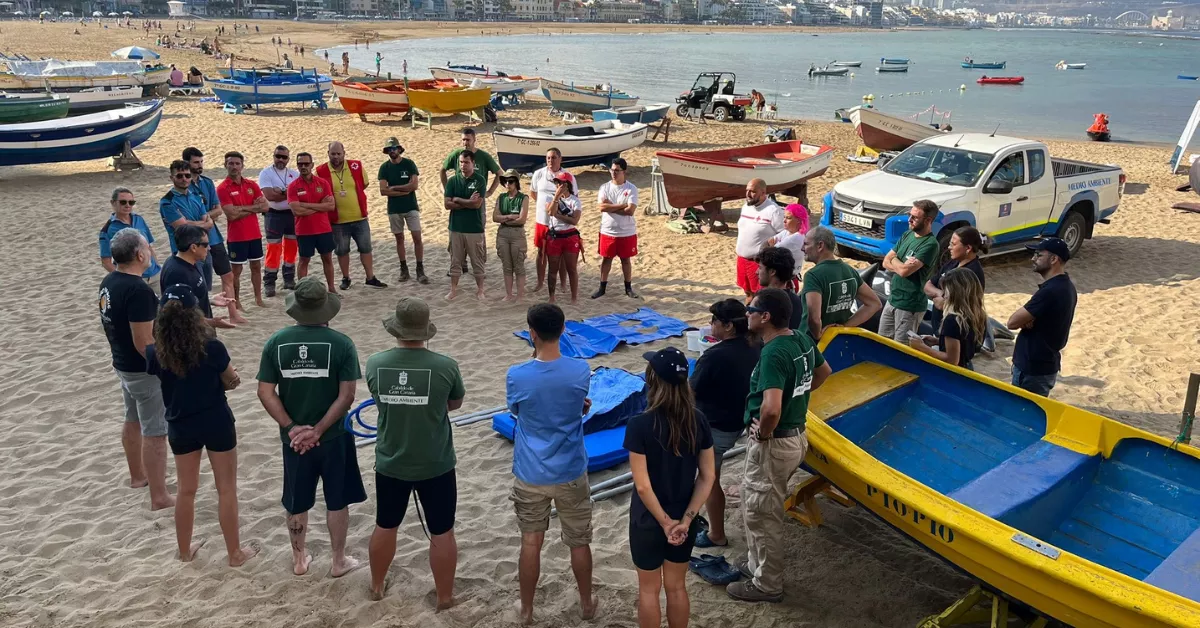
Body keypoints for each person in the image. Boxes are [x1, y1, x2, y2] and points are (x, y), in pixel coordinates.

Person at [727, 288, 831, 603]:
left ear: (765, 316)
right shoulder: (800, 338)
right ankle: (756, 564)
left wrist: (765, 432)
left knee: (762, 514)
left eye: (751, 309)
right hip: (796, 436)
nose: (747, 314)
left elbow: (770, 409)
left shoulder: (773, 352)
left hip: (776, 443)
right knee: (759, 505)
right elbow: (824, 372)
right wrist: (796, 400)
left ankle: (766, 584)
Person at [257, 277, 365, 578]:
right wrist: (317, 430)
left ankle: (299, 559)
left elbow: (265, 392)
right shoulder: (342, 344)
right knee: (337, 499)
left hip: (294, 440)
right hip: (333, 436)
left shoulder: (276, 342)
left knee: (296, 499)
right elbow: (347, 396)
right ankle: (338, 560)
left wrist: (292, 428)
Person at [148, 283, 258, 567]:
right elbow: (231, 380)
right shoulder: (212, 347)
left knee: (186, 489)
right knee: (226, 488)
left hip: (181, 423)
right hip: (215, 419)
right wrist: (232, 380)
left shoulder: (157, 352)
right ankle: (234, 552)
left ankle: (185, 551)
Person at [366, 298, 464, 607]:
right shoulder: (446, 366)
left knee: (386, 523)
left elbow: (378, 398)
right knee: (443, 530)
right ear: (425, 330)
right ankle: (445, 597)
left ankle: (378, 585)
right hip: (435, 461)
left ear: (396, 328)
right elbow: (454, 404)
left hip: (392, 458)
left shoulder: (375, 363)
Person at [505, 303, 597, 625]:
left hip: (531, 471)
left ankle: (527, 610)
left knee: (531, 542)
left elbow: (518, 412)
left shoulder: (517, 375)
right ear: (563, 330)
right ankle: (586, 603)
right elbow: (575, 406)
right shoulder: (581, 370)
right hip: (570, 468)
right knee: (579, 540)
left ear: (531, 333)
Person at [627, 347, 715, 628]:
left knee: (648, 589)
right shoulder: (698, 420)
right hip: (683, 516)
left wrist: (665, 524)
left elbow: (642, 486)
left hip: (648, 519)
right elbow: (707, 476)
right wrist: (686, 520)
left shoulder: (639, 424)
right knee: (677, 587)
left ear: (652, 379)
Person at [99, 229, 173, 510]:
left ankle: (137, 477)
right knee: (155, 431)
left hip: (122, 364)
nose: (151, 252)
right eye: (147, 248)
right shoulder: (138, 289)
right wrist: (165, 369)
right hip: (141, 370)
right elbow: (144, 342)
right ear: (140, 254)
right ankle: (159, 496)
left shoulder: (109, 281)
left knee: (132, 419)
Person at [689, 299, 759, 548]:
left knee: (708, 479)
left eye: (714, 321)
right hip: (740, 421)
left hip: (716, 427)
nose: (711, 325)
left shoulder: (714, 356)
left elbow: (690, 393)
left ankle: (716, 533)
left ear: (728, 326)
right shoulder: (756, 345)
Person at [1006, 238, 1077, 397]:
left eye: (1038, 255)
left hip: (1033, 368)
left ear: (1054, 259)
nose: (1033, 259)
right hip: (1044, 363)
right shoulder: (1066, 285)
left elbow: (1012, 322)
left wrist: (1025, 321)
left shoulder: (1050, 291)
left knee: (1022, 413)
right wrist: (1027, 321)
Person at [317, 141, 386, 291]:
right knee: (342, 250)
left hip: (360, 217)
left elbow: (364, 184)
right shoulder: (320, 171)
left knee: (366, 248)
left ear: (344, 153)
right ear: (327, 153)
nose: (335, 157)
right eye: (333, 154)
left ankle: (370, 277)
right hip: (337, 221)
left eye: (338, 154)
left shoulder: (356, 166)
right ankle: (346, 277)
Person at [801, 225, 882, 342]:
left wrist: (818, 335)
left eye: (806, 244)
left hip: (810, 343)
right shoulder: (850, 271)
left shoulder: (813, 275)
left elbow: (814, 318)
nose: (802, 248)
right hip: (836, 342)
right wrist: (844, 327)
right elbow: (874, 303)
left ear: (820, 246)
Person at [441, 128, 503, 276]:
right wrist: (447, 190)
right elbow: (442, 169)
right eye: (463, 139)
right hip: (458, 199)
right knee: (457, 232)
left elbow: (499, 173)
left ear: (474, 139)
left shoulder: (483, 156)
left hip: (477, 200)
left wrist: (489, 192)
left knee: (477, 233)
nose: (465, 143)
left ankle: (479, 266)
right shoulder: (457, 155)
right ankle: (460, 264)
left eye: (468, 139)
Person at [878, 200, 940, 343]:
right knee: (881, 343)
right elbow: (886, 261)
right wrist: (898, 263)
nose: (909, 220)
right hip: (893, 299)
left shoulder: (930, 244)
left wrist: (895, 260)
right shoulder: (907, 235)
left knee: (901, 349)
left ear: (928, 220)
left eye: (915, 217)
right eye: (909, 215)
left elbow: (904, 272)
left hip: (910, 305)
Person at [217, 151, 268, 309]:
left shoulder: (251, 184)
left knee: (256, 267)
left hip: (254, 234)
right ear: (225, 165)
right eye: (231, 163)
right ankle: (237, 301)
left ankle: (258, 299)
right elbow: (231, 215)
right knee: (236, 271)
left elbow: (265, 206)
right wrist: (254, 208)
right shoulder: (223, 188)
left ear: (242, 166)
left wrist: (242, 209)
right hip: (237, 236)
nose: (234, 167)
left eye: (237, 163)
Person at [182, 147, 235, 300]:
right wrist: (207, 217)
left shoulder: (207, 182)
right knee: (200, 281)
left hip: (214, 237)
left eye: (201, 162)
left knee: (227, 275)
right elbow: (187, 219)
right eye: (196, 162)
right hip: (195, 240)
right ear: (186, 163)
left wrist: (204, 217)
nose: (200, 165)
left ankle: (233, 313)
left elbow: (218, 210)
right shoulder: (185, 186)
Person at [910, 268, 985, 370]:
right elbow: (963, 343)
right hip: (967, 366)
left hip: (953, 373)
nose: (944, 295)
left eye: (946, 290)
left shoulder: (952, 320)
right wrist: (938, 341)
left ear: (955, 293)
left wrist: (921, 347)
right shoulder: (977, 314)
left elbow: (952, 360)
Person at [378, 137, 427, 284]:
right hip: (394, 209)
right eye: (390, 149)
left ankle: (420, 269)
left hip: (411, 206)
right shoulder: (384, 167)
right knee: (399, 239)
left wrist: (394, 188)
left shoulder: (409, 163)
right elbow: (382, 190)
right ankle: (404, 269)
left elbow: (414, 186)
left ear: (399, 149)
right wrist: (404, 189)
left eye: (394, 148)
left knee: (417, 238)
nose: (392, 151)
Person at [287, 152, 338, 293]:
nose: (303, 166)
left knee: (327, 259)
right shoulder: (293, 186)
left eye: (306, 164)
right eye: (300, 164)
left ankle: (332, 289)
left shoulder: (323, 183)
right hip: (304, 230)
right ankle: (302, 290)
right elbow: (296, 211)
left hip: (323, 229)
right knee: (304, 260)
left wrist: (306, 205)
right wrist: (318, 205)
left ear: (312, 165)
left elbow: (330, 206)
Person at [443, 150, 488, 301]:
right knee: (455, 259)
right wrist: (466, 201)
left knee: (477, 260)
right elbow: (447, 204)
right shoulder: (452, 181)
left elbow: (476, 204)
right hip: (455, 227)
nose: (463, 165)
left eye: (466, 162)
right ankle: (453, 289)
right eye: (461, 162)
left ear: (473, 163)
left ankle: (480, 290)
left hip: (474, 228)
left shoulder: (479, 180)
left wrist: (457, 199)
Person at [530, 148, 576, 293]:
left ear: (560, 159)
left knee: (561, 255)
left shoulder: (568, 176)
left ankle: (562, 283)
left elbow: (574, 196)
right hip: (542, 220)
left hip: (561, 222)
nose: (551, 161)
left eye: (554, 158)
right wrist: (546, 207)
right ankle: (539, 282)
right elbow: (533, 193)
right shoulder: (539, 174)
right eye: (548, 158)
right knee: (541, 252)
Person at [593, 157, 640, 299]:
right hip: (608, 230)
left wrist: (610, 207)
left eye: (617, 171)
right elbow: (602, 207)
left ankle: (628, 288)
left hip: (626, 231)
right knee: (606, 259)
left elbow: (630, 211)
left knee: (626, 260)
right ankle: (602, 287)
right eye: (612, 170)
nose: (614, 173)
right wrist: (621, 205)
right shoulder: (605, 187)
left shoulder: (631, 188)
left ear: (624, 171)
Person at [925, 226, 986, 331]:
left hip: (955, 331)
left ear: (968, 248)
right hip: (938, 327)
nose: (949, 247)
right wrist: (942, 294)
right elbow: (927, 286)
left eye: (953, 244)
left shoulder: (972, 274)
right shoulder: (953, 262)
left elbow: (966, 307)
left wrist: (944, 303)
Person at [258, 145, 300, 297]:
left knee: (291, 247)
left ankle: (289, 279)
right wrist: (288, 192)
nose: (281, 159)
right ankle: (269, 282)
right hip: (274, 214)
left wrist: (281, 191)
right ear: (273, 156)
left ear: (288, 158)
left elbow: (300, 194)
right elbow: (270, 195)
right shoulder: (266, 173)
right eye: (278, 156)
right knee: (273, 249)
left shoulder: (294, 174)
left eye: (284, 157)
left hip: (291, 213)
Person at [734, 178, 784, 300]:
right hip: (741, 259)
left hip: (758, 262)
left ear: (763, 192)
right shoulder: (745, 206)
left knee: (759, 297)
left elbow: (783, 234)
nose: (748, 194)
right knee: (747, 293)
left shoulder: (773, 210)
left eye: (752, 191)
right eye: (747, 191)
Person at [100, 187, 161, 285]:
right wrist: (125, 279)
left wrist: (157, 267)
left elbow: (149, 246)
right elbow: (106, 262)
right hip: (135, 280)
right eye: (123, 202)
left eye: (131, 202)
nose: (128, 205)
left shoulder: (139, 219)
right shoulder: (108, 229)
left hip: (155, 275)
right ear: (113, 203)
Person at [545, 172, 583, 304]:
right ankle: (552, 297)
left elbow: (575, 221)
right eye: (556, 182)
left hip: (569, 236)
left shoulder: (575, 200)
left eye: (560, 182)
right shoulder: (552, 198)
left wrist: (559, 216)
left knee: (571, 268)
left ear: (567, 184)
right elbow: (550, 211)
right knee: (552, 268)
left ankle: (574, 297)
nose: (557, 185)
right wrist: (556, 196)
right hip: (555, 236)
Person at [493, 168, 529, 301]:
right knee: (506, 265)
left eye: (511, 181)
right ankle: (509, 294)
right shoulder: (501, 197)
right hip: (503, 233)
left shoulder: (523, 198)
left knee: (518, 264)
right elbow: (495, 217)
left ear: (516, 182)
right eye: (506, 181)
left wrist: (505, 218)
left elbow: (522, 219)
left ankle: (519, 295)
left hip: (517, 233)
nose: (508, 184)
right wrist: (509, 217)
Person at [756, 246, 807, 331]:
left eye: (760, 268)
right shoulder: (796, 300)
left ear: (772, 272)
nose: (756, 272)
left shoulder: (766, 302)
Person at [765, 203, 808, 290]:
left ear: (798, 221)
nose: (784, 220)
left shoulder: (796, 238)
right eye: (784, 217)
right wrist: (770, 247)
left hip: (786, 283)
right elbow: (767, 244)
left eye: (788, 218)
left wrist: (771, 247)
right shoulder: (787, 232)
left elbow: (768, 253)